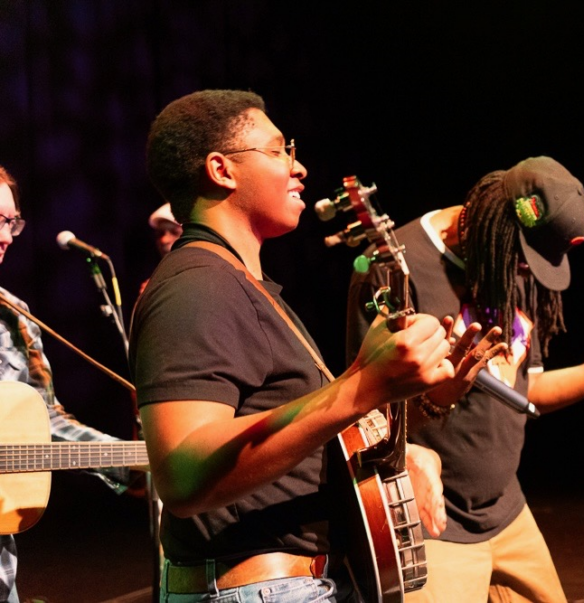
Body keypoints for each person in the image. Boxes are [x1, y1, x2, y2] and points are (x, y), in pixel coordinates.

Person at [128, 89, 472, 603]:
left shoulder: (241, 285)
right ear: (222, 170)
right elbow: (181, 475)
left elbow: (306, 439)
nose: (299, 167)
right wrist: (361, 386)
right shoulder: (196, 285)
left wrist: (407, 401)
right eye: (277, 151)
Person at [346, 156, 584, 603]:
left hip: (507, 512)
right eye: (525, 258)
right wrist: (438, 401)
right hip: (435, 526)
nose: (526, 272)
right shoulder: (395, 269)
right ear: (497, 226)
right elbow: (364, 417)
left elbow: (529, 392)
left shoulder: (508, 265)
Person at [0, 165, 137, 603]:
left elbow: (42, 420)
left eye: (12, 222)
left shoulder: (14, 316)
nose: (7, 236)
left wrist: (126, 462)